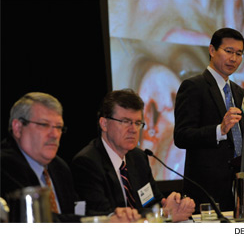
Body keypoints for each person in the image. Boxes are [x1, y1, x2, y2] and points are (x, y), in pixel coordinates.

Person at [0, 92, 140, 222]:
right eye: (44, 125)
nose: (54, 135)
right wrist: (102, 222)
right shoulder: (4, 166)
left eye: (58, 127)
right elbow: (38, 221)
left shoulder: (59, 167)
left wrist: (111, 217)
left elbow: (76, 211)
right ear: (18, 128)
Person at [71, 89, 195, 222]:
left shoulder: (138, 157)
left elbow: (152, 202)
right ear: (104, 124)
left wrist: (170, 206)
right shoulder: (87, 163)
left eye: (137, 123)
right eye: (125, 121)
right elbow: (107, 217)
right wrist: (162, 214)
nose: (133, 129)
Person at [174, 28, 244, 213]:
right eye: (228, 51)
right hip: (206, 189)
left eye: (239, 53)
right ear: (212, 50)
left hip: (239, 186)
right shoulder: (193, 86)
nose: (233, 58)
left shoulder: (239, 92)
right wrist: (219, 130)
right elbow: (181, 136)